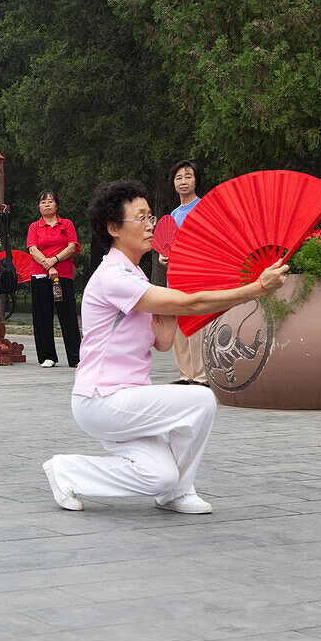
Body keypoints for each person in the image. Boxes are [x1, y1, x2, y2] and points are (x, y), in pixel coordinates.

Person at [42, 180, 288, 514]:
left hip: (128, 398)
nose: (150, 225)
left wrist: (173, 303)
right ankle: (180, 492)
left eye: (150, 217)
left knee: (159, 476)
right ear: (113, 228)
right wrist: (256, 288)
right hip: (103, 398)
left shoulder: (137, 277)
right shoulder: (113, 276)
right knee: (200, 399)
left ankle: (69, 471)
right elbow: (194, 304)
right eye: (140, 218)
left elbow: (162, 342)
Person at [157, 160, 209, 386]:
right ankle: (185, 374)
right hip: (174, 276)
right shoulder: (173, 214)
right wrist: (162, 257)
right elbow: (166, 246)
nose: (183, 181)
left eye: (188, 176)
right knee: (178, 326)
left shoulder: (204, 208)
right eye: (178, 178)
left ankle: (201, 375)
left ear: (196, 180)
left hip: (196, 274)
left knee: (196, 324)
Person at [26, 190, 82, 368]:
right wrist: (48, 266)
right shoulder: (35, 226)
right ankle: (47, 356)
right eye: (43, 202)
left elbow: (72, 246)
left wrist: (55, 260)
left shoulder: (66, 224)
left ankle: (75, 357)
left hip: (63, 274)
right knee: (42, 315)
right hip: (41, 274)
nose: (47, 205)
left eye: (50, 201)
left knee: (68, 315)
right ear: (38, 207)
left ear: (56, 204)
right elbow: (32, 249)